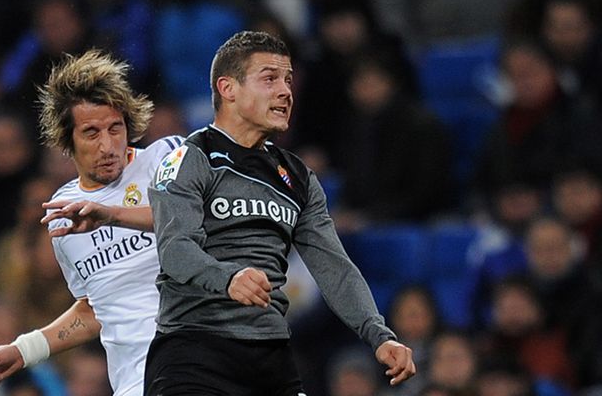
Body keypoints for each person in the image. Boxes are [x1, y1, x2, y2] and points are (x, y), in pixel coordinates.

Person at [145, 30, 415, 395]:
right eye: (269, 79)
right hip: (196, 352)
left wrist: (379, 335)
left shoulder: (298, 177)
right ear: (228, 88)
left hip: (271, 356)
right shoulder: (188, 159)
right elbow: (175, 249)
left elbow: (333, 266)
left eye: (288, 80)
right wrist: (227, 277)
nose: (286, 91)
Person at [0, 49, 183, 396]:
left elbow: (192, 219)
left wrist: (113, 216)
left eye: (115, 128)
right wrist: (23, 350)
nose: (108, 145)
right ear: (67, 141)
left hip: (203, 357)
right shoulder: (63, 217)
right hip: (136, 382)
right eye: (91, 132)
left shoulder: (166, 159)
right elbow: (95, 308)